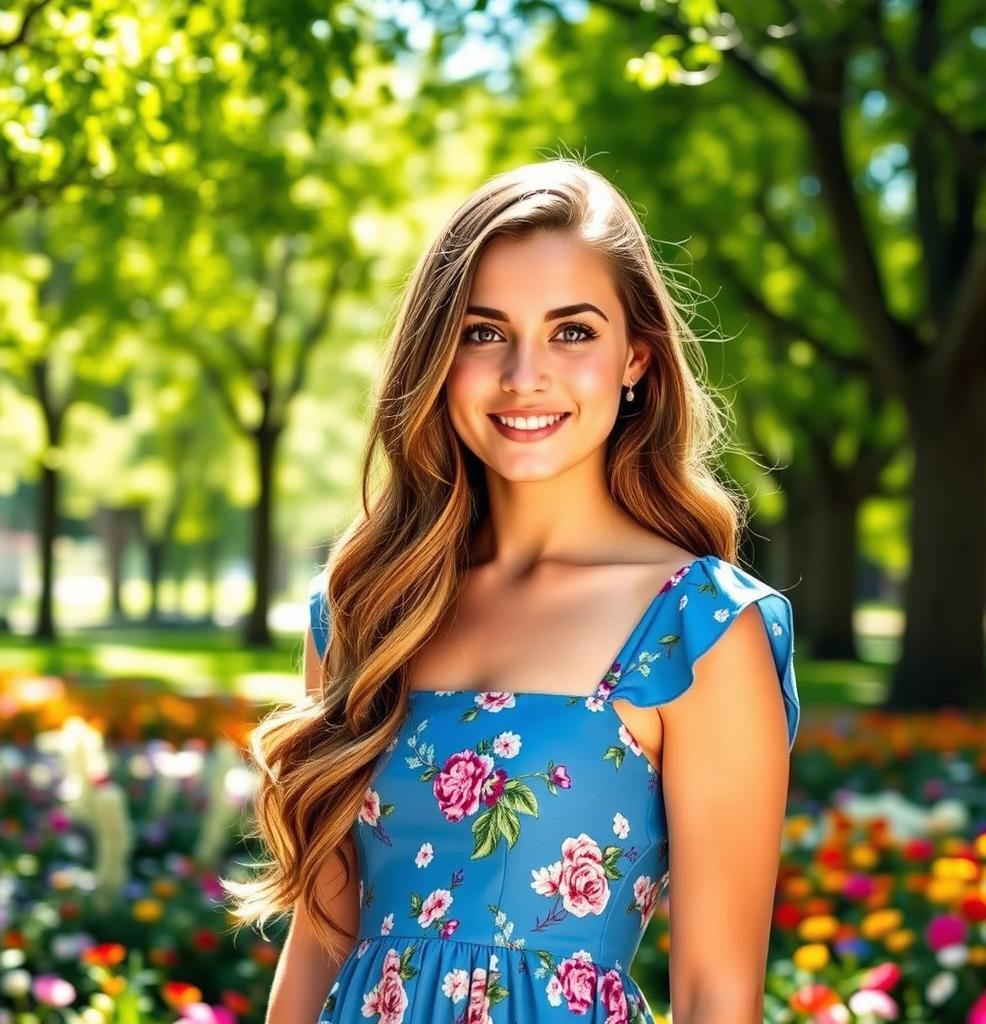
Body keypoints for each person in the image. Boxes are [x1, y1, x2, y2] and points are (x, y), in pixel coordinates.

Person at [224, 158, 801, 1024]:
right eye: (484, 332)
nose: (524, 374)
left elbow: (717, 995)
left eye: (572, 332)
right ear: (438, 356)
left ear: (636, 358)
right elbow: (320, 941)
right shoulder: (364, 609)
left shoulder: (699, 626)